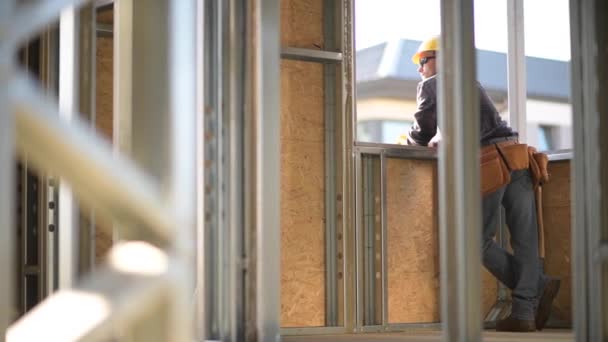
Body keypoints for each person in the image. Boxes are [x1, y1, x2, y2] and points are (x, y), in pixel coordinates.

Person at [406, 36, 560, 332]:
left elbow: (422, 131)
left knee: (473, 239)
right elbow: (474, 125)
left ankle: (536, 289)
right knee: (525, 240)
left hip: (489, 161)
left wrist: (414, 143)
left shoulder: (433, 84)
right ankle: (525, 313)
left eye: (424, 60)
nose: (420, 68)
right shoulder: (469, 82)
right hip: (517, 155)